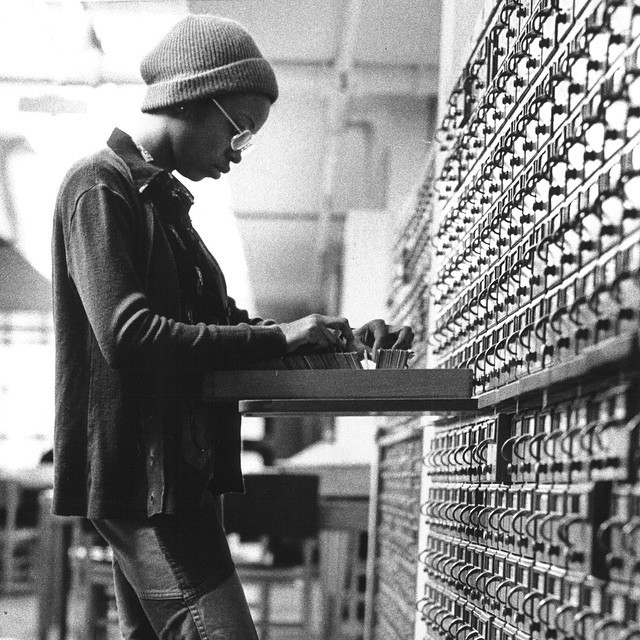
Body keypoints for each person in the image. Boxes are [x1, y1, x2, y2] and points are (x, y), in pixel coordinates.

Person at [51, 14, 413, 640]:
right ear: (191, 96)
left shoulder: (168, 211)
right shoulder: (100, 187)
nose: (236, 155)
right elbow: (128, 334)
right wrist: (281, 336)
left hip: (178, 472)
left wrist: (340, 338)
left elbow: (225, 332)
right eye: (237, 132)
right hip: (144, 478)